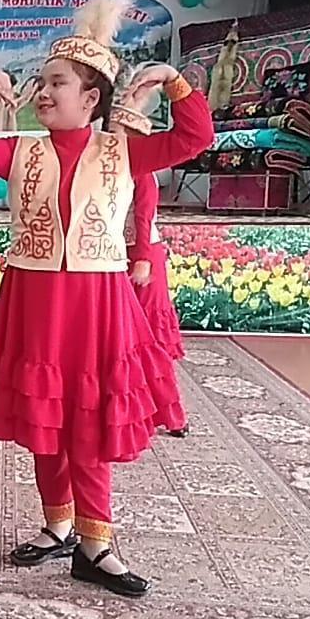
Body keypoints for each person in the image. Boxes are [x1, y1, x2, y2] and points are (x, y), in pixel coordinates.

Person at [0, 0, 214, 597]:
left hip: (96, 303)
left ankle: (95, 544)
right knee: (45, 415)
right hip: (34, 300)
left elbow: (195, 138)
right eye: (40, 81)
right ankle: (58, 525)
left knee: (87, 419)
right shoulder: (22, 151)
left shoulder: (123, 150)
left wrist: (172, 82)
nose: (43, 91)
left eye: (56, 82)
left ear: (91, 99)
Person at [110, 91, 189, 438]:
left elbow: (143, 217)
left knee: (149, 341)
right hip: (117, 255)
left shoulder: (141, 169)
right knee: (124, 340)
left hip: (141, 256)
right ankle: (133, 410)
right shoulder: (115, 168)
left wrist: (141, 259)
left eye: (116, 133)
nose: (110, 139)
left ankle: (172, 415)